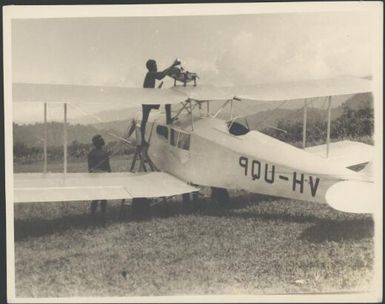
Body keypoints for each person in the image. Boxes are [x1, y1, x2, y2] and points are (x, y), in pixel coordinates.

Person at [141, 59, 180, 145]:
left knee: (144, 120)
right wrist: (173, 65)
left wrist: (157, 89)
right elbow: (161, 76)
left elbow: (150, 87)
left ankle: (143, 140)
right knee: (167, 100)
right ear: (151, 67)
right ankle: (168, 119)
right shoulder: (150, 74)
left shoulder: (150, 75)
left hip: (148, 99)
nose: (156, 66)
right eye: (155, 65)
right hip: (148, 100)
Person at [88, 134, 111, 216]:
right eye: (100, 139)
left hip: (102, 176)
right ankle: (95, 214)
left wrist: (109, 175)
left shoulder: (102, 153)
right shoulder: (93, 153)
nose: (102, 140)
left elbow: (107, 166)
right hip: (97, 177)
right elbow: (90, 168)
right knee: (98, 197)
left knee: (102, 197)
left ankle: (101, 213)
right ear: (97, 142)